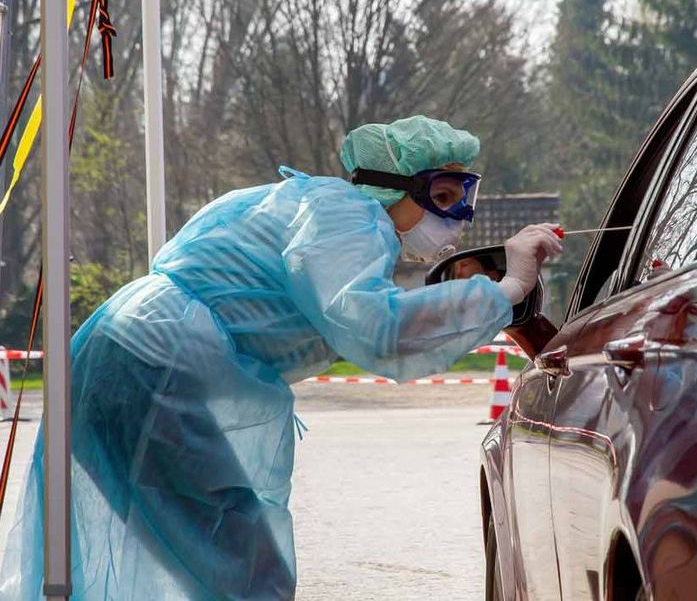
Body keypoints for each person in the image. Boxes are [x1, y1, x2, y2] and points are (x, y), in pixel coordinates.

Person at [0, 115, 561, 600]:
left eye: (466, 195)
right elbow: (379, 330)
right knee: (243, 562)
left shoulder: (315, 204)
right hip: (154, 361)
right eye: (443, 197)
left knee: (176, 551)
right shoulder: (349, 219)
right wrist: (507, 288)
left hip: (126, 350)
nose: (460, 214)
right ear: (394, 186)